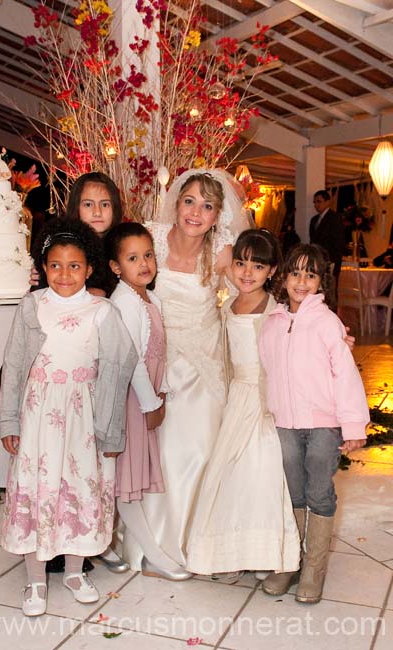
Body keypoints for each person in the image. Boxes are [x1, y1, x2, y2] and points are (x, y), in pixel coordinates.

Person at [0, 171, 128, 573]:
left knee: (81, 476)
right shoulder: (40, 291)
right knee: (41, 470)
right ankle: (42, 545)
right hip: (43, 396)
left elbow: (120, 357)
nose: (97, 211)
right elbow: (16, 359)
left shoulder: (115, 263)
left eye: (104, 204)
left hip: (86, 398)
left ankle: (77, 548)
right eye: (88, 203)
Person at [0, 218, 137, 616]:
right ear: (43, 267)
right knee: (38, 487)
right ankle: (36, 579)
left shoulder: (102, 311)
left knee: (79, 487)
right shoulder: (32, 305)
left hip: (81, 419)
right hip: (38, 416)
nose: (64, 274)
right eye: (55, 265)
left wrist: (110, 432)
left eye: (74, 265)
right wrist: (9, 420)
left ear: (89, 268)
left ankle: (75, 571)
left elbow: (118, 367)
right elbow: (13, 364)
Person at [121, 168, 252, 573]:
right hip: (157, 357)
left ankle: (192, 543)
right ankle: (147, 543)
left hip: (203, 361)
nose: (197, 211)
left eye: (208, 206)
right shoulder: (152, 238)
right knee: (156, 448)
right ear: (176, 203)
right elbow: (128, 283)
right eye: (190, 201)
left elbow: (250, 289)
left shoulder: (223, 250)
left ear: (218, 216)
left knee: (196, 448)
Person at [186, 229, 300, 580]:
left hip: (265, 398)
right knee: (229, 471)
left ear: (272, 272)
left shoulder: (276, 310)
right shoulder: (228, 305)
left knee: (262, 470)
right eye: (240, 263)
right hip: (237, 396)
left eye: (257, 266)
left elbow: (289, 355)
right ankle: (230, 552)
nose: (247, 272)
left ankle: (265, 552)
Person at [259, 243, 369, 603]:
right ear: (283, 277)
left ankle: (314, 568)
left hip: (323, 426)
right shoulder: (272, 322)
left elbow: (346, 376)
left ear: (322, 282)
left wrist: (353, 426)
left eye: (311, 274)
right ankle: (291, 561)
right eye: (295, 273)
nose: (301, 281)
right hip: (285, 425)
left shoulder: (327, 322)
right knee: (292, 492)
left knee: (319, 492)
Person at [103, 222, 191, 580]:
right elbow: (132, 360)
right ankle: (152, 555)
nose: (144, 264)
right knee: (125, 482)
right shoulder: (123, 301)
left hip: (146, 396)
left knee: (128, 480)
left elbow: (159, 353)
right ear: (115, 267)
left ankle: (113, 546)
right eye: (133, 258)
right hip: (129, 401)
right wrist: (150, 403)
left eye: (149, 255)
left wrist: (163, 389)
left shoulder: (148, 298)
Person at [309, 190, 344, 292]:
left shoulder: (335, 218)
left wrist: (331, 261)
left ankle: (332, 308)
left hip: (331, 260)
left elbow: (338, 242)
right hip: (317, 261)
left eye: (319, 201)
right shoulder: (314, 220)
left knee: (330, 290)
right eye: (314, 202)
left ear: (327, 202)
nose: (316, 205)